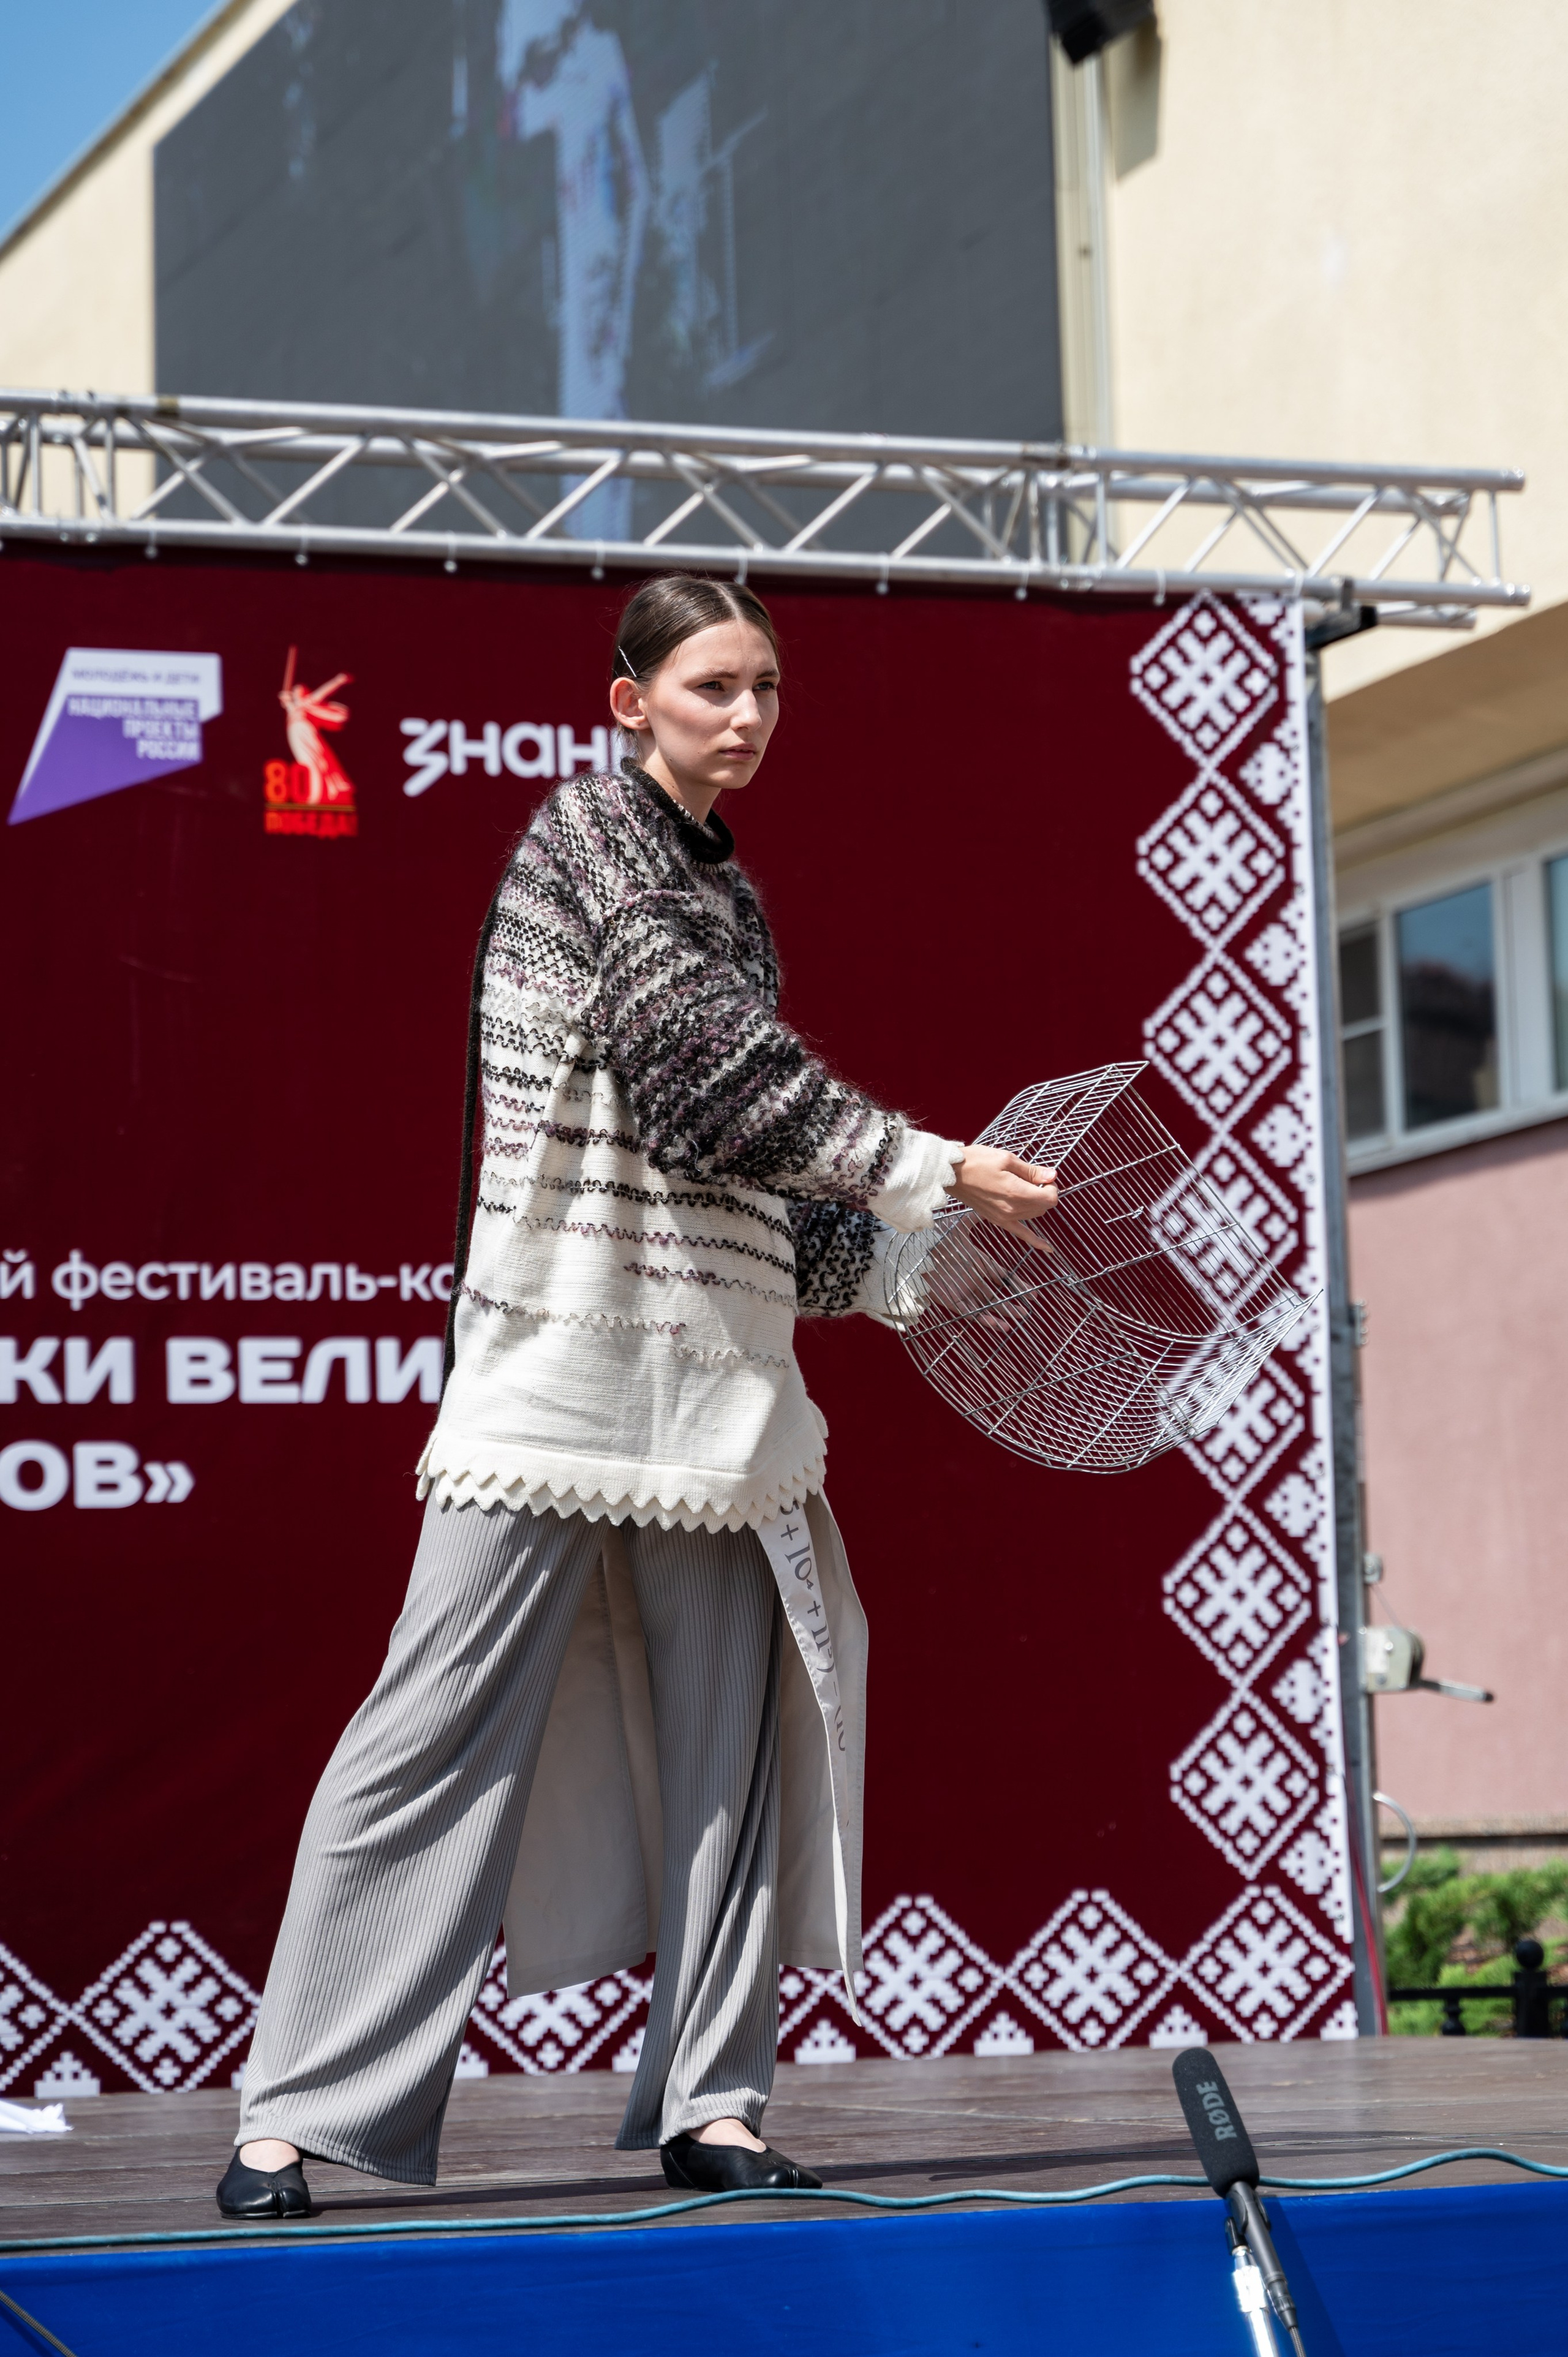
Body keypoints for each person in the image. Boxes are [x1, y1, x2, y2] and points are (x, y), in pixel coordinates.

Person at [217, 573, 1057, 2220]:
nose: (746, 716)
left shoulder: (722, 889)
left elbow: (716, 1182)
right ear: (630, 703)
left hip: (721, 1399)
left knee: (738, 1755)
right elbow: (699, 1070)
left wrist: (899, 1263)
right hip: (560, 1374)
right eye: (712, 686)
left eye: (766, 687)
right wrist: (927, 1164)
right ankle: (291, 2117)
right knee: (427, 1741)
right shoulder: (586, 844)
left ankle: (714, 2106)